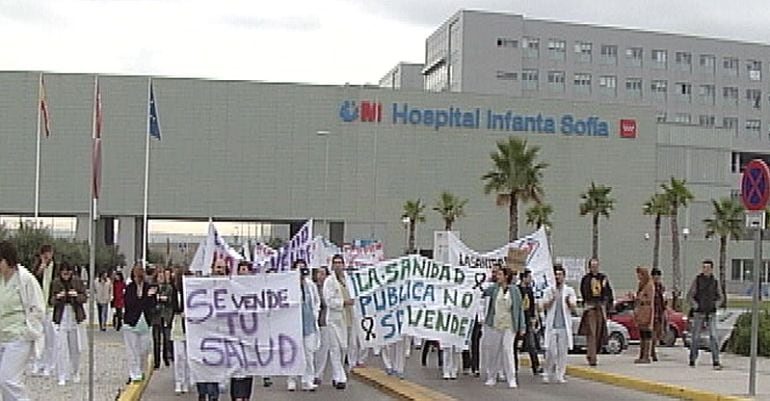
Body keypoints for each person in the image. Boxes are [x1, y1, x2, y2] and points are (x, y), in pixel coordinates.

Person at [0, 240, 45, 401]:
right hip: (1, 336)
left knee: (8, 380)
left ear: (7, 260)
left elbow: (38, 308)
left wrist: (27, 331)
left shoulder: (25, 279)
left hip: (18, 338)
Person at [481, 267, 525, 389]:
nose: (498, 276)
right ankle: (491, 377)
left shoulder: (515, 290)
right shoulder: (494, 289)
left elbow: (519, 309)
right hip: (495, 324)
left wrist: (522, 326)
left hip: (509, 324)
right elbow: (483, 293)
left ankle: (511, 378)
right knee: (493, 351)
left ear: (506, 276)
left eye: (500, 274)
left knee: (507, 350)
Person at [50, 262, 87, 386]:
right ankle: (62, 375)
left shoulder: (77, 281)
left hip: (75, 315)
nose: (66, 274)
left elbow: (84, 297)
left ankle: (75, 372)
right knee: (61, 348)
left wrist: (76, 295)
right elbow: (51, 300)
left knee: (75, 348)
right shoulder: (55, 282)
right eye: (64, 271)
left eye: (68, 271)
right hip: (61, 316)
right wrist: (58, 297)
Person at [196, 259, 227, 401]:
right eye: (218, 267)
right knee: (204, 364)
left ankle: (213, 395)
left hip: (222, 331)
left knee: (215, 364)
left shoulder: (231, 285)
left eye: (222, 267)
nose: (220, 270)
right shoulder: (204, 285)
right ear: (212, 267)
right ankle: (203, 392)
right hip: (204, 332)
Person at [287, 259, 320, 392]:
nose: (301, 271)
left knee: (309, 354)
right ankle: (291, 379)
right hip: (294, 324)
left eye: (303, 268)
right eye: (298, 268)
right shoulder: (289, 284)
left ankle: (308, 380)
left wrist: (315, 314)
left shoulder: (310, 285)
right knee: (293, 353)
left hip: (309, 324)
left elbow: (316, 301)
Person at [541, 264, 577, 384]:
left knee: (562, 352)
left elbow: (573, 307)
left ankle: (560, 374)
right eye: (556, 275)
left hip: (563, 326)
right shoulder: (549, 290)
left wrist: (568, 301)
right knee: (551, 351)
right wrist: (552, 298)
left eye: (560, 275)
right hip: (552, 326)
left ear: (564, 276)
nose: (558, 277)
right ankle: (547, 372)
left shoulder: (569, 291)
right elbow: (543, 306)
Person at [123, 263, 156, 383]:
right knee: (132, 350)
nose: (138, 277)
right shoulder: (130, 288)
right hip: (131, 323)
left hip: (145, 322)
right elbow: (130, 305)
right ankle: (133, 373)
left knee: (144, 349)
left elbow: (152, 304)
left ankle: (141, 371)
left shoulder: (148, 287)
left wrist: (148, 297)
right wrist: (145, 298)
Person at [323, 255, 352, 388]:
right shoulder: (329, 281)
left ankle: (338, 373)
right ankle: (339, 377)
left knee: (344, 347)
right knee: (335, 348)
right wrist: (343, 302)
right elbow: (328, 300)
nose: (338, 265)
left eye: (340, 263)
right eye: (335, 263)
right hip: (334, 319)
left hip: (347, 318)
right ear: (332, 265)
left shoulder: (349, 280)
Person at [687, 260, 723, 370]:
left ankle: (716, 360)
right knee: (696, 337)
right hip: (699, 313)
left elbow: (721, 297)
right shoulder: (697, 281)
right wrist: (696, 306)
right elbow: (690, 296)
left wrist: (715, 305)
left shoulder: (715, 282)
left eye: (708, 268)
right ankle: (693, 358)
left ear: (712, 269)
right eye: (704, 267)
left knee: (713, 337)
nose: (705, 270)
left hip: (711, 313)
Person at [578, 258, 614, 366]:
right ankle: (592, 357)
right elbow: (584, 292)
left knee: (599, 332)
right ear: (589, 267)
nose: (594, 268)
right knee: (592, 332)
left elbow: (608, 292)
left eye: (596, 266)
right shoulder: (586, 279)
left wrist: (608, 304)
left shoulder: (603, 278)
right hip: (590, 307)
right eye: (592, 266)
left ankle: (593, 352)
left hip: (600, 307)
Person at [229, 261, 255, 401]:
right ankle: (237, 396)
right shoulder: (232, 287)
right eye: (241, 270)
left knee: (248, 369)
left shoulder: (255, 289)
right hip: (235, 334)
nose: (243, 272)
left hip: (250, 335)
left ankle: (245, 396)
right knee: (236, 368)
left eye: (245, 270)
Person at [31, 244, 56, 377]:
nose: (46, 256)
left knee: (49, 337)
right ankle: (38, 363)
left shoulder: (56, 268)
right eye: (44, 254)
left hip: (50, 307)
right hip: (38, 306)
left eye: (48, 253)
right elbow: (33, 281)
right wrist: (41, 267)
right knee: (37, 336)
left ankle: (49, 364)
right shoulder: (37, 268)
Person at [515, 269, 542, 375]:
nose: (530, 279)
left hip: (528, 319)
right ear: (524, 278)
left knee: (531, 344)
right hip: (518, 320)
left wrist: (533, 317)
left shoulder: (530, 290)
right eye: (529, 277)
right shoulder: (517, 290)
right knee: (515, 344)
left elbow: (531, 305)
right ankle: (514, 366)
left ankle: (536, 366)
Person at [171, 267, 190, 395]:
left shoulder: (190, 292)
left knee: (188, 357)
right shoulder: (174, 292)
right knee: (179, 356)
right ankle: (179, 381)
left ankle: (187, 381)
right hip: (178, 325)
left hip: (189, 326)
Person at [152, 268, 175, 369]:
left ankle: (166, 357)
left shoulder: (168, 288)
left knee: (166, 339)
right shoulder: (153, 288)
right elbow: (151, 300)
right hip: (156, 317)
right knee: (156, 340)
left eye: (162, 277)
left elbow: (169, 300)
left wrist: (159, 298)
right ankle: (156, 362)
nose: (161, 279)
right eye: (159, 277)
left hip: (165, 316)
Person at [633, 266, 655, 364]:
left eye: (640, 274)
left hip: (647, 310)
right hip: (641, 311)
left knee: (647, 333)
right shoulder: (641, 284)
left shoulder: (649, 285)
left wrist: (641, 298)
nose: (638, 276)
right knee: (641, 333)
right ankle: (641, 354)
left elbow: (649, 299)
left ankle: (646, 355)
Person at [650, 268, 666, 362]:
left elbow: (662, 300)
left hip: (659, 312)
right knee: (652, 334)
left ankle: (653, 350)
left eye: (658, 277)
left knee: (658, 333)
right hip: (652, 313)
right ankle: (652, 352)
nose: (657, 278)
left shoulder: (660, 287)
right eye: (655, 277)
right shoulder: (650, 287)